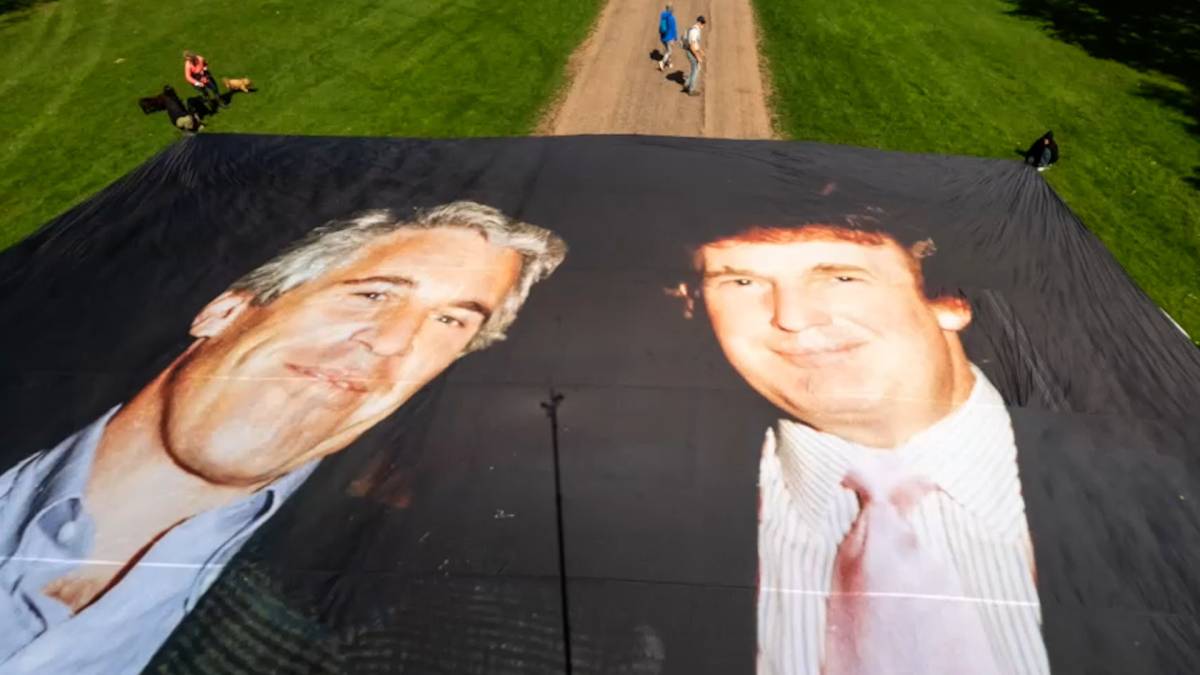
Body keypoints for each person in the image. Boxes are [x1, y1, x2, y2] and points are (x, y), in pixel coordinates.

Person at [0, 201, 567, 674]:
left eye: (450, 322)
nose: (393, 341)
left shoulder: (424, 629)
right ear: (227, 310)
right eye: (373, 293)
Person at [685, 221, 1051, 674]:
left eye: (841, 277)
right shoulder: (639, 518)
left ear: (950, 299)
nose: (793, 317)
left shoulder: (1148, 496)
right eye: (741, 282)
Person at [683, 16, 706, 96]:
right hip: (690, 52)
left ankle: (687, 84)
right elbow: (692, 46)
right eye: (703, 25)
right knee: (695, 70)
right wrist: (698, 57)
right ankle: (691, 90)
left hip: (691, 51)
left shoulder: (694, 29)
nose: (703, 27)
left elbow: (695, 44)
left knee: (695, 69)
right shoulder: (694, 31)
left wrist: (700, 51)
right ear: (700, 23)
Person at [657, 4, 679, 72]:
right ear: (672, 10)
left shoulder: (663, 16)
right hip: (669, 38)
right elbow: (674, 29)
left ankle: (669, 63)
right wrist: (675, 37)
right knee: (669, 51)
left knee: (667, 49)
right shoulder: (672, 18)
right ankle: (662, 62)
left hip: (663, 37)